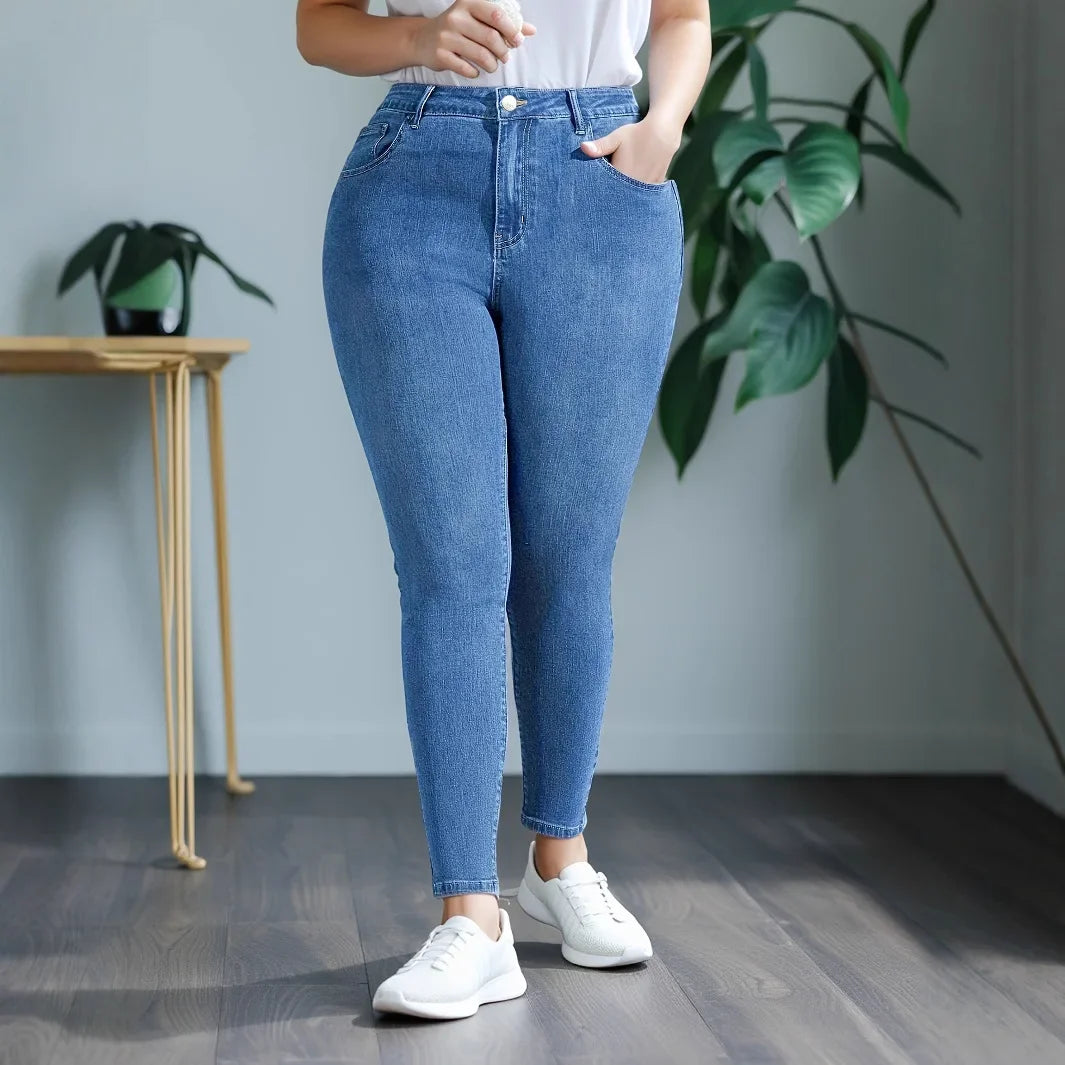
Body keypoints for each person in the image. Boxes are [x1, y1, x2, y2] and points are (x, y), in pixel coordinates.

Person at [296, 0, 711, 1021]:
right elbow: (318, 26)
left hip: (597, 175)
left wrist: (662, 128)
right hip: (412, 182)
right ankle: (470, 918)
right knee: (451, 567)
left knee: (570, 556)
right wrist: (418, 39)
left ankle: (559, 858)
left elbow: (682, 14)